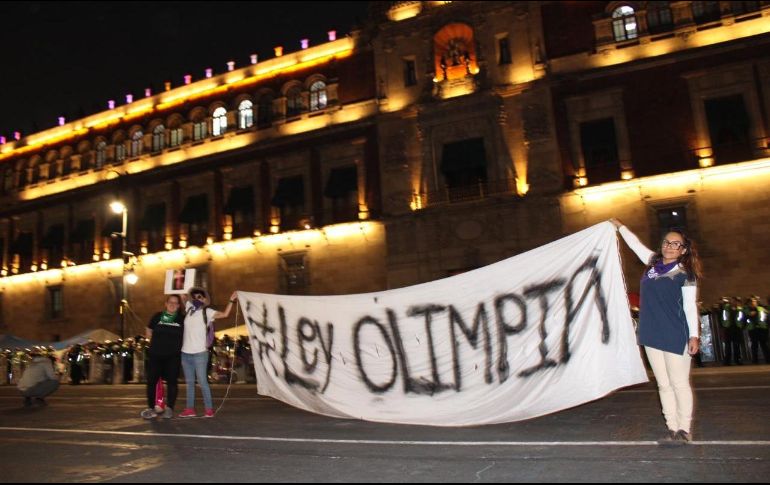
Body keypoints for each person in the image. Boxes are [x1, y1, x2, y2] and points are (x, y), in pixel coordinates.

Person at [611, 219, 702, 444]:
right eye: (666, 242)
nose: (669, 246)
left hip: (674, 332)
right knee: (662, 384)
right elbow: (635, 245)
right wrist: (619, 226)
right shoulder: (653, 264)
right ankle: (672, 428)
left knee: (679, 383)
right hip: (651, 332)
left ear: (684, 250)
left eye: (675, 244)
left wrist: (694, 335)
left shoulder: (686, 274)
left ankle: (684, 428)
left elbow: (690, 306)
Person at [179, 286, 238, 418]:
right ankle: (190, 409)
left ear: (205, 299)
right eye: (194, 297)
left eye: (199, 297)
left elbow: (225, 314)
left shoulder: (208, 312)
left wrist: (231, 300)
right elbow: (183, 295)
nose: (196, 299)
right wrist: (183, 283)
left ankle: (209, 409)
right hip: (185, 353)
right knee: (189, 383)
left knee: (202, 382)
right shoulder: (188, 308)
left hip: (200, 353)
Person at [141, 294, 185, 419]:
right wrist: (153, 341)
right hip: (156, 355)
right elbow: (148, 329)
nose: (172, 304)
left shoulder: (181, 319)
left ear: (178, 306)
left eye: (176, 303)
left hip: (173, 356)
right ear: (166, 304)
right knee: (151, 382)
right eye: (170, 302)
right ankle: (151, 408)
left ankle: (169, 408)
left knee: (172, 382)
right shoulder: (157, 316)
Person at [745, 296, 769, 364]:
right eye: (752, 302)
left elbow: (766, 318)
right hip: (753, 329)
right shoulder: (747, 310)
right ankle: (755, 360)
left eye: (754, 301)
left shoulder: (761, 309)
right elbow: (745, 318)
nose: (753, 303)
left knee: (764, 345)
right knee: (755, 345)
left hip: (761, 329)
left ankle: (767, 359)